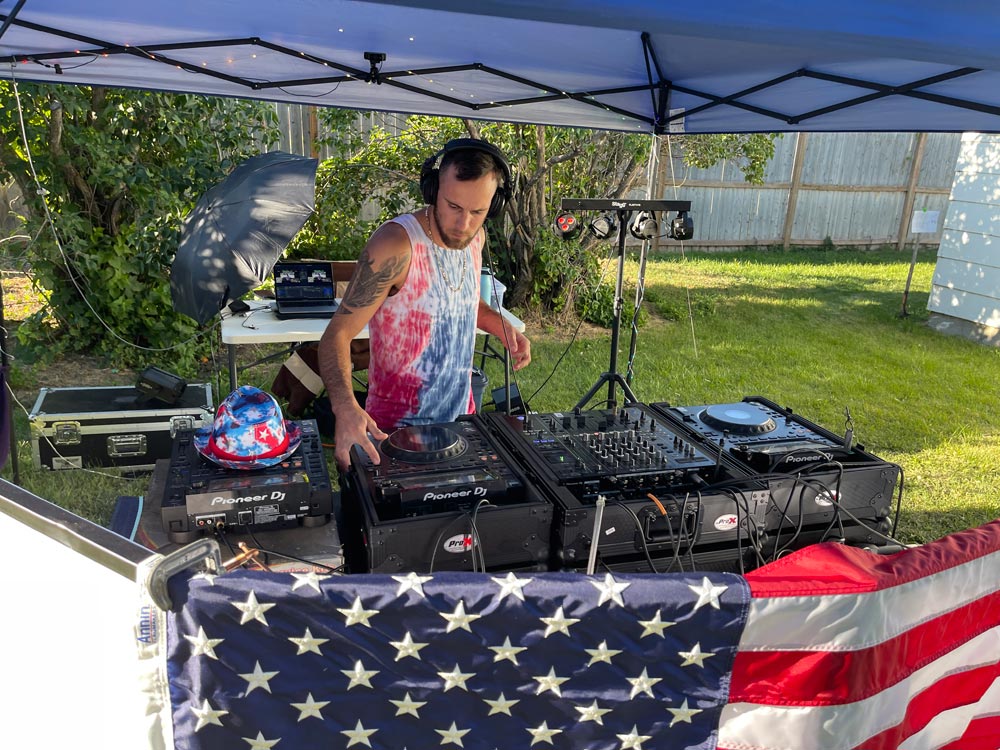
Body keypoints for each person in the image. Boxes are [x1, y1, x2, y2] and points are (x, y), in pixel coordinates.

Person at [318, 138, 531, 470]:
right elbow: (337, 336)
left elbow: (466, 303)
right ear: (433, 191)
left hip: (461, 424)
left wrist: (503, 328)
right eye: (453, 206)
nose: (464, 224)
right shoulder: (395, 245)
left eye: (478, 211)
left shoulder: (476, 239)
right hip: (393, 434)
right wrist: (345, 407)